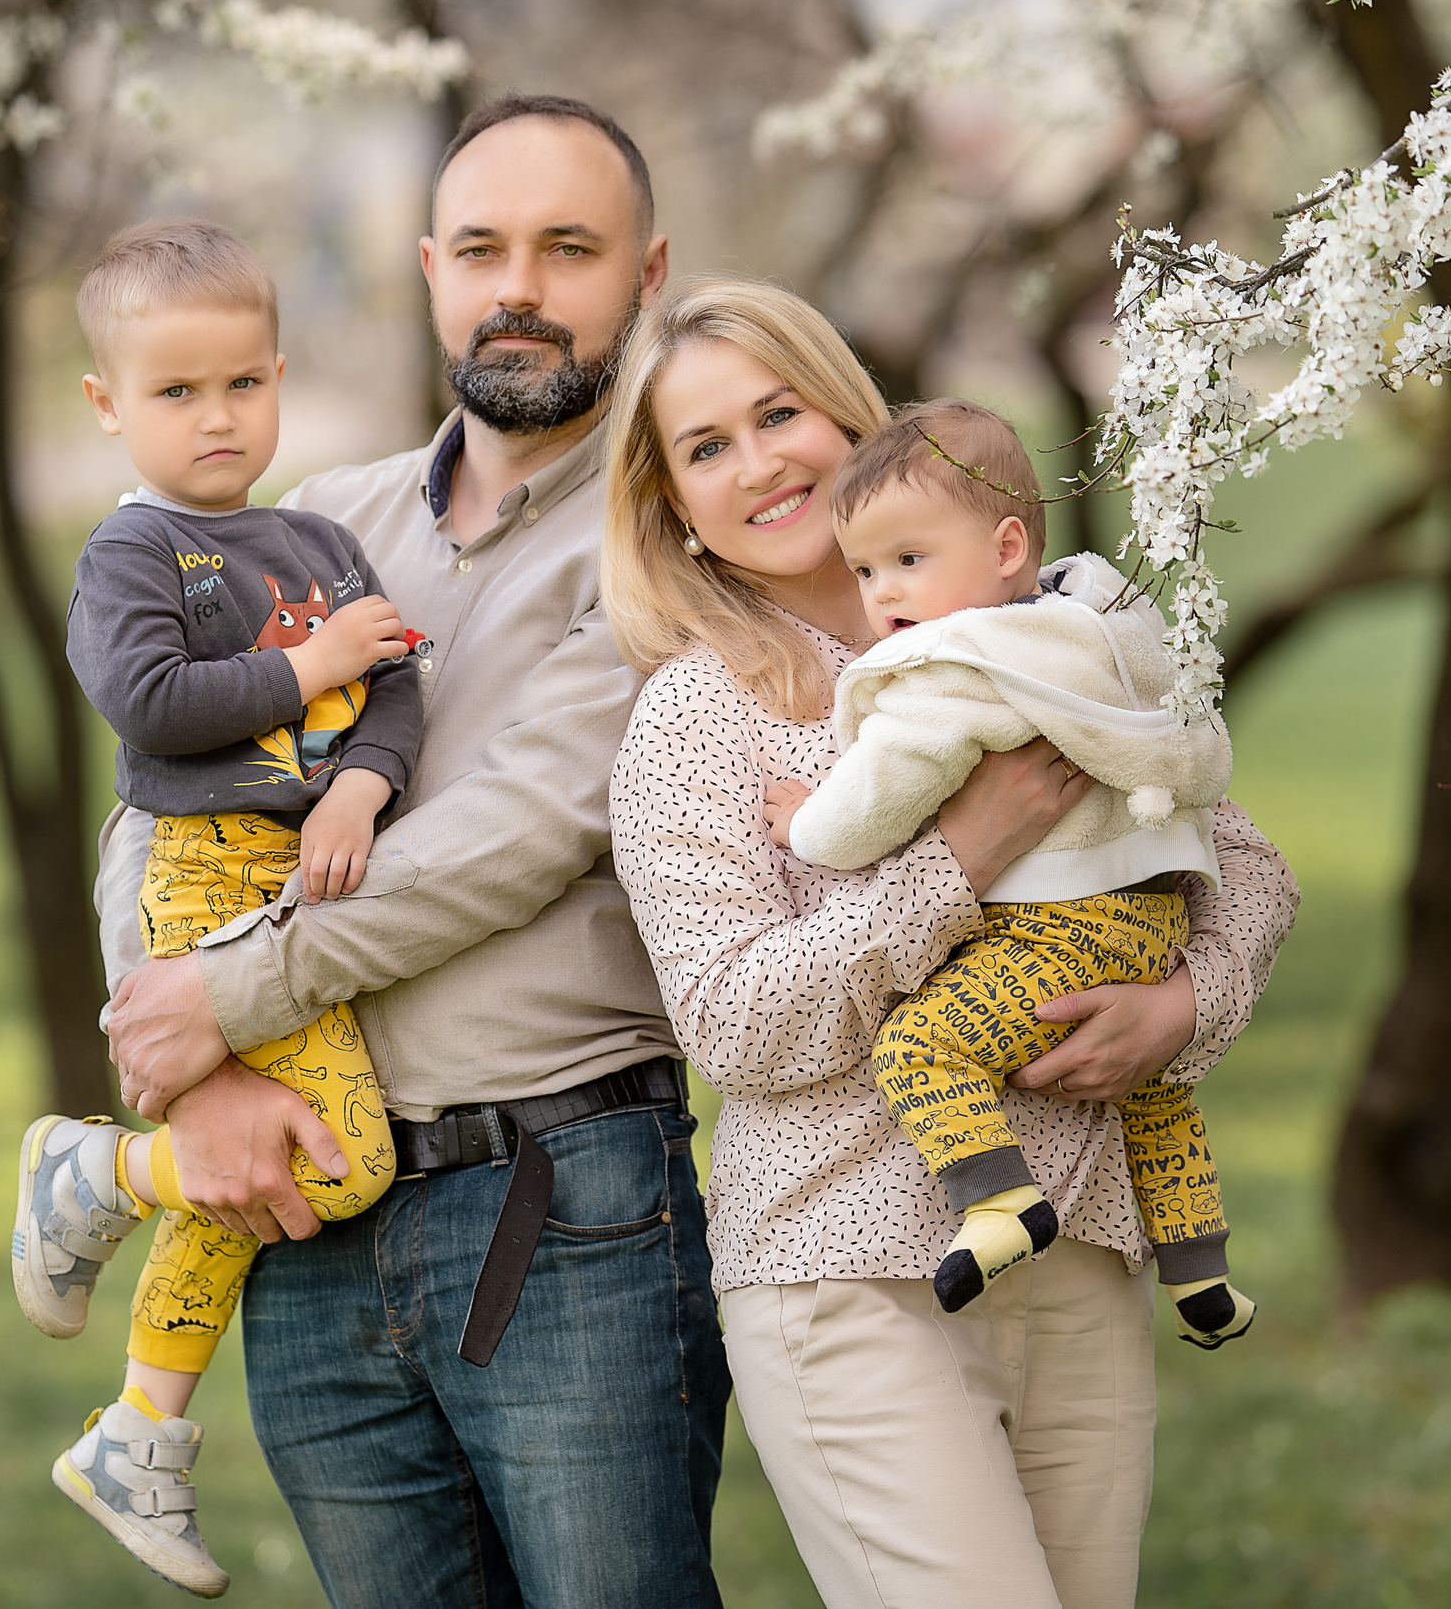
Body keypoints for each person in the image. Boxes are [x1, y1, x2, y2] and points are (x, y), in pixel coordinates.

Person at [100, 96, 727, 1608]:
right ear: (432, 268)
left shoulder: (666, 541)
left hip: (558, 1203)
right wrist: (191, 1062)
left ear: (647, 273)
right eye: (484, 249)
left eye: (569, 248)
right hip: (302, 1208)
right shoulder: (317, 519)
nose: (521, 287)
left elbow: (517, 832)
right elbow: (155, 807)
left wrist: (226, 994)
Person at [603, 276, 1297, 1609]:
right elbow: (736, 1024)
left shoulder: (1044, 639)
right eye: (705, 447)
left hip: (1084, 1251)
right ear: (674, 503)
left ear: (846, 417)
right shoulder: (698, 716)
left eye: (779, 413)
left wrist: (1182, 1008)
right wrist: (958, 859)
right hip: (854, 1273)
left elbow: (1246, 865)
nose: (758, 464)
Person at [7, 217, 424, 1596]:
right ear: (107, 402)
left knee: (269, 1163)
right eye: (176, 390)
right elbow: (153, 703)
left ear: (279, 376)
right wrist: (308, 666)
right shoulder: (131, 557)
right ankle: (104, 1176)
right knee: (339, 1160)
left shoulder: (316, 541)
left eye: (243, 382)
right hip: (201, 873)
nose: (217, 416)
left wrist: (362, 785)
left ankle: (139, 1429)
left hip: (303, 874)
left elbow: (395, 686)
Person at [764, 397, 1255, 1345]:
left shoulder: (960, 663)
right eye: (865, 569)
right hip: (1155, 919)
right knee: (1156, 1094)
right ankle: (1201, 1272)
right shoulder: (1096, 628)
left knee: (920, 1046)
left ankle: (1000, 1203)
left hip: (1053, 928)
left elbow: (880, 795)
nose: (884, 592)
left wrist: (806, 828)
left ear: (1005, 548)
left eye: (909, 559)